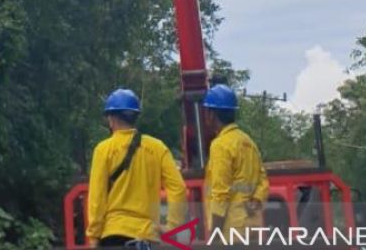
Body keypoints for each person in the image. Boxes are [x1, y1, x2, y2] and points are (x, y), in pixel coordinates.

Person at [87, 88, 189, 247]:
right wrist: (172, 227)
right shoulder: (157, 148)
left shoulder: (103, 150)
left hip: (113, 235)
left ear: (111, 118)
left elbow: (97, 198)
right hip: (147, 237)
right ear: (135, 117)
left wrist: (93, 237)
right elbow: (179, 188)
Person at [200, 85, 269, 244]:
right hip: (251, 230)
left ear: (211, 114)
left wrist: (214, 236)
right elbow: (263, 180)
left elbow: (220, 194)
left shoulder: (221, 145)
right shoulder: (248, 142)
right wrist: (256, 199)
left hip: (230, 233)